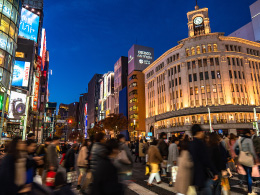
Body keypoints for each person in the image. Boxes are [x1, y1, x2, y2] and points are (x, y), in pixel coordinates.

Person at [189, 124, 218, 195]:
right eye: (202, 131)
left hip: (193, 176)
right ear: (199, 132)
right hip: (202, 175)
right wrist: (215, 172)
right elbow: (206, 160)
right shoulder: (200, 144)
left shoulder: (190, 144)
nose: (203, 133)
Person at [233, 130, 257, 195]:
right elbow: (252, 150)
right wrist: (256, 158)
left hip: (241, 158)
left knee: (247, 174)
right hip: (248, 158)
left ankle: (248, 187)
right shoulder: (249, 140)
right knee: (249, 174)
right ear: (247, 133)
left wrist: (238, 153)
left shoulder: (239, 140)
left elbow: (234, 147)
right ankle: (250, 191)